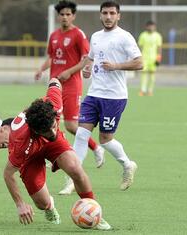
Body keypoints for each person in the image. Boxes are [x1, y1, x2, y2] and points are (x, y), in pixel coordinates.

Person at [3, 78, 111, 230]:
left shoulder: (54, 104)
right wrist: (20, 204)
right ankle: (50, 207)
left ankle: (94, 213)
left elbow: (55, 81)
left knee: (76, 170)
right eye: (47, 131)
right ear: (36, 130)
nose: (53, 132)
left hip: (52, 144)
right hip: (30, 155)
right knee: (42, 203)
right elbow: (8, 174)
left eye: (54, 125)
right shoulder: (22, 144)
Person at [60, 1, 143, 194]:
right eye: (105, 13)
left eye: (112, 13)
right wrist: (88, 68)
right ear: (100, 15)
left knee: (105, 139)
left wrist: (116, 66)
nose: (108, 16)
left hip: (114, 97)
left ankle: (127, 164)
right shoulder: (96, 37)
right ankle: (73, 178)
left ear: (118, 16)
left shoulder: (124, 37)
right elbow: (90, 57)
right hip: (93, 94)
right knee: (81, 134)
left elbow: (140, 63)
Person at [34, 0, 105, 179]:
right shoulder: (54, 35)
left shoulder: (78, 35)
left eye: (68, 14)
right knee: (49, 119)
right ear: (58, 16)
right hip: (54, 84)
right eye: (62, 14)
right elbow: (51, 57)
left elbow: (86, 60)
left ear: (73, 16)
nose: (65, 17)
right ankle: (53, 153)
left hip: (72, 85)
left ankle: (96, 148)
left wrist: (69, 71)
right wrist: (41, 69)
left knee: (72, 126)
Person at [138, 20, 163, 96]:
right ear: (146, 27)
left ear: (154, 27)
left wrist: (159, 58)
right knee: (144, 74)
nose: (151, 27)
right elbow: (140, 47)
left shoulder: (158, 36)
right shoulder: (143, 35)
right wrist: (139, 57)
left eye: (152, 26)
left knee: (152, 75)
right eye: (149, 26)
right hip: (144, 58)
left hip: (153, 58)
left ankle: (150, 90)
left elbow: (159, 47)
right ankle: (143, 90)